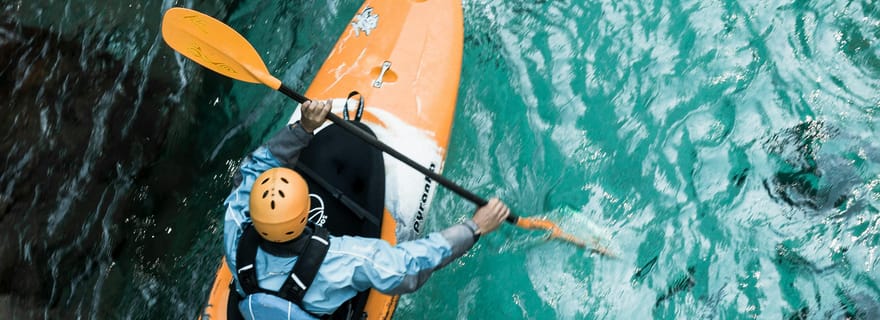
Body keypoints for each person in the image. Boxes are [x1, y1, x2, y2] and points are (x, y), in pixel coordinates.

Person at [223, 100, 511, 319]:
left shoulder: (236, 221)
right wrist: (474, 228)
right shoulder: (341, 261)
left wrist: (303, 129)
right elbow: (407, 268)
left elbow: (252, 170)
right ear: (305, 212)